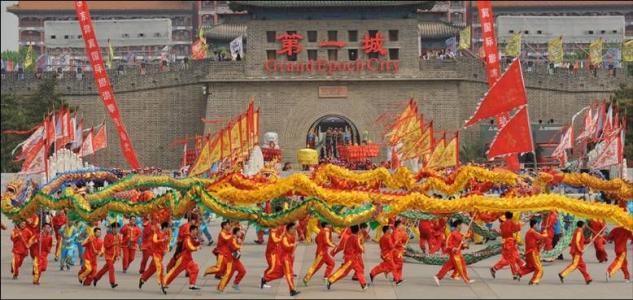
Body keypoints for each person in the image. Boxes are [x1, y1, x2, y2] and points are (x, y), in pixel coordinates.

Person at [261, 222, 300, 297]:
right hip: (284, 257)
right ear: (290, 229)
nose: (295, 230)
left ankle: (265, 279)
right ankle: (292, 290)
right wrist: (293, 245)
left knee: (281, 274)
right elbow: (286, 246)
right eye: (294, 228)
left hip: (288, 256)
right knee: (289, 273)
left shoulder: (292, 234)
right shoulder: (284, 236)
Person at [433, 219, 474, 286]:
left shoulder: (460, 234)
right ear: (458, 225)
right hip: (455, 253)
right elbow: (448, 244)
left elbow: (461, 244)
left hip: (458, 252)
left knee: (448, 266)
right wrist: (453, 248)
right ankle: (466, 279)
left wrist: (465, 246)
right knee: (461, 266)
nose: (461, 226)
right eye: (461, 225)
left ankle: (438, 276)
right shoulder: (452, 234)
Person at [326, 224, 367, 291]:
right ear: (357, 230)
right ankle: (330, 280)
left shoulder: (351, 237)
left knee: (359, 270)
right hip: (351, 258)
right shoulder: (355, 237)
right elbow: (358, 247)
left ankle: (363, 284)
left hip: (352, 258)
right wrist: (362, 248)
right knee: (343, 272)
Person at [163, 225, 202, 291]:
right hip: (183, 259)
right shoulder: (187, 238)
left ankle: (192, 284)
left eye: (197, 230)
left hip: (188, 259)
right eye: (196, 230)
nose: (197, 231)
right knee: (174, 272)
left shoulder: (191, 237)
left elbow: (196, 243)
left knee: (195, 269)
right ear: (192, 230)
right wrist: (196, 248)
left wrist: (197, 239)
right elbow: (190, 247)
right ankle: (164, 283)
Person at [139, 222, 170, 294]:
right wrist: (161, 240)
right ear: (164, 227)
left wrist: (166, 249)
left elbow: (166, 244)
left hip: (161, 255)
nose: (168, 229)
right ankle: (162, 283)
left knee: (152, 269)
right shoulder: (157, 233)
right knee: (161, 268)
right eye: (168, 227)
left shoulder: (166, 235)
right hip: (156, 254)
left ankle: (142, 279)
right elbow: (154, 241)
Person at [490, 212, 522, 280]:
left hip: (505, 242)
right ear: (511, 216)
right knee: (508, 259)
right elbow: (516, 229)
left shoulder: (502, 224)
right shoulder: (511, 223)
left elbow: (501, 232)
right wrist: (519, 224)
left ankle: (515, 274)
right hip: (509, 243)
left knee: (512, 258)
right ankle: (495, 268)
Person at [559, 220, 592, 285]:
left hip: (577, 251)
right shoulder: (579, 231)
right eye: (584, 225)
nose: (585, 226)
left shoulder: (578, 230)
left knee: (582, 265)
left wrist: (588, 241)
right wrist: (580, 250)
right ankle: (562, 274)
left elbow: (580, 241)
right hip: (577, 252)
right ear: (582, 225)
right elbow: (577, 241)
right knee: (574, 265)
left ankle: (588, 278)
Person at [303, 221, 335, 286]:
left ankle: (326, 277)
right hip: (322, 253)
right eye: (329, 224)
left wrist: (321, 245)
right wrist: (333, 245)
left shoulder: (321, 231)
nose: (331, 225)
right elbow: (326, 241)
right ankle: (306, 278)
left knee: (331, 263)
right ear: (326, 225)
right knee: (316, 267)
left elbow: (316, 239)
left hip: (322, 252)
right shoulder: (326, 231)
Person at [518, 219, 548, 285]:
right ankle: (534, 281)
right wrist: (546, 232)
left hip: (529, 252)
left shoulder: (529, 232)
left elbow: (538, 240)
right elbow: (542, 237)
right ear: (534, 225)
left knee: (531, 267)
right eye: (537, 224)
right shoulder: (532, 232)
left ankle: (519, 273)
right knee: (540, 269)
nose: (538, 226)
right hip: (532, 252)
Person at [218, 226, 246, 292]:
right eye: (239, 232)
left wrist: (242, 235)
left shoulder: (237, 237)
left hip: (236, 260)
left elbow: (241, 239)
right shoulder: (232, 238)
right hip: (231, 260)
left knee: (243, 271)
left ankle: (235, 283)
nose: (240, 233)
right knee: (228, 275)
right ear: (236, 233)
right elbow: (234, 247)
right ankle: (221, 287)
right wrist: (239, 243)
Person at [93, 223, 121, 288]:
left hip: (114, 256)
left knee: (105, 269)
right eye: (116, 228)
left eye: (118, 229)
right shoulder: (107, 236)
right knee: (111, 268)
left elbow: (119, 246)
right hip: (108, 256)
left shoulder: (118, 236)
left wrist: (119, 254)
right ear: (113, 228)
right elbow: (106, 245)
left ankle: (96, 278)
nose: (117, 230)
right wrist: (113, 243)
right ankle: (112, 282)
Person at [392, 219, 408, 285]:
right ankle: (396, 277)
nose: (402, 226)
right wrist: (402, 245)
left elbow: (404, 239)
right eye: (401, 224)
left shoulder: (400, 231)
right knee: (398, 264)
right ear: (398, 225)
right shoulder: (395, 232)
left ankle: (398, 277)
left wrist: (406, 235)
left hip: (400, 250)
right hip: (396, 250)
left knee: (400, 264)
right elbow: (396, 242)